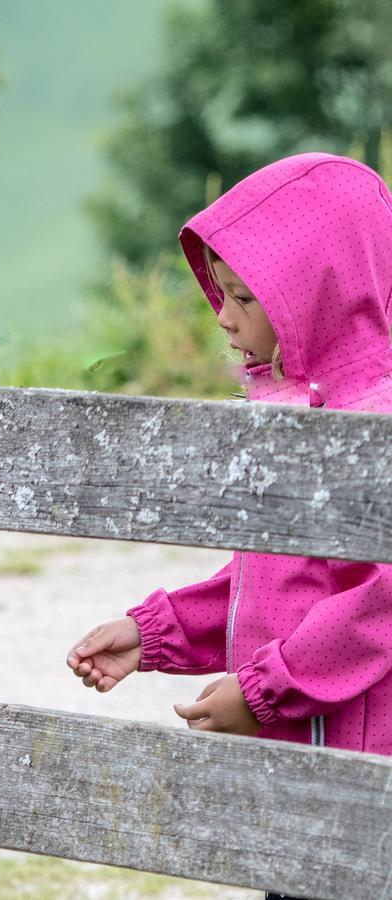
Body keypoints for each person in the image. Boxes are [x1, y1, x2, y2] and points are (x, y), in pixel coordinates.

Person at [67, 153, 392, 895]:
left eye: (244, 296)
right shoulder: (292, 414)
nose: (222, 314)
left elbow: (381, 602)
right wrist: (155, 632)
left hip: (362, 798)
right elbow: (273, 585)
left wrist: (265, 689)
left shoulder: (377, 421)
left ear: (321, 298)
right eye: (221, 292)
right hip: (297, 777)